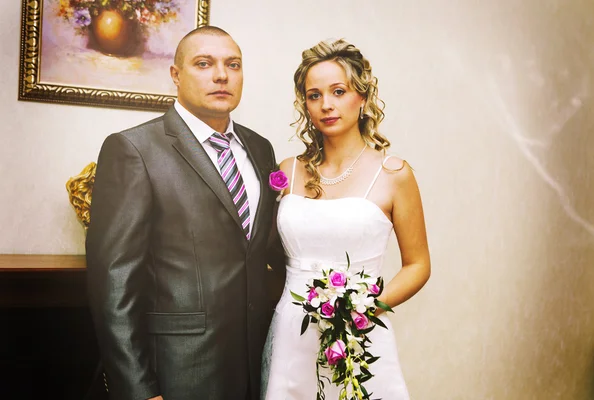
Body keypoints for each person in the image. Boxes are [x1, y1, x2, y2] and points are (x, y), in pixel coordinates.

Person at [86, 26, 283, 400]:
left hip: (255, 362)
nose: (221, 75)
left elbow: (264, 247)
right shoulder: (134, 149)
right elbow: (114, 282)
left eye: (233, 64)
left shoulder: (260, 148)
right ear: (175, 75)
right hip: (178, 369)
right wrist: (139, 389)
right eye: (204, 63)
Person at [261, 38, 431, 399]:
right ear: (304, 105)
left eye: (338, 91)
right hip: (293, 334)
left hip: (360, 333)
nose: (326, 105)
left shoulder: (394, 173)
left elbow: (418, 265)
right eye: (314, 95)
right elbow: (264, 255)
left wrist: (364, 308)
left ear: (363, 97)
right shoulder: (287, 171)